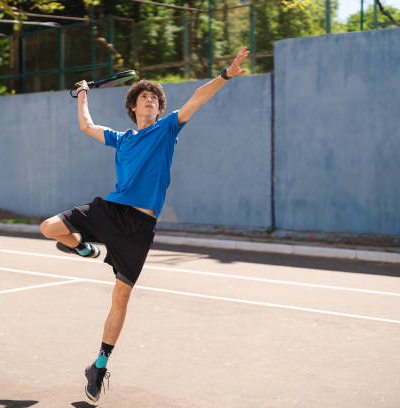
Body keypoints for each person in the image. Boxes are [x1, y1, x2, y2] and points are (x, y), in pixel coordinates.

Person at [39, 47, 250, 402]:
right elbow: (86, 126)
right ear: (133, 107)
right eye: (145, 97)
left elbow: (197, 98)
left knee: (121, 296)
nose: (151, 100)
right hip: (110, 211)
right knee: (49, 227)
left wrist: (225, 75)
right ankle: (85, 248)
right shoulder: (122, 139)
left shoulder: (168, 129)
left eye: (155, 98)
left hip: (140, 226)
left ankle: (99, 365)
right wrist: (84, 94)